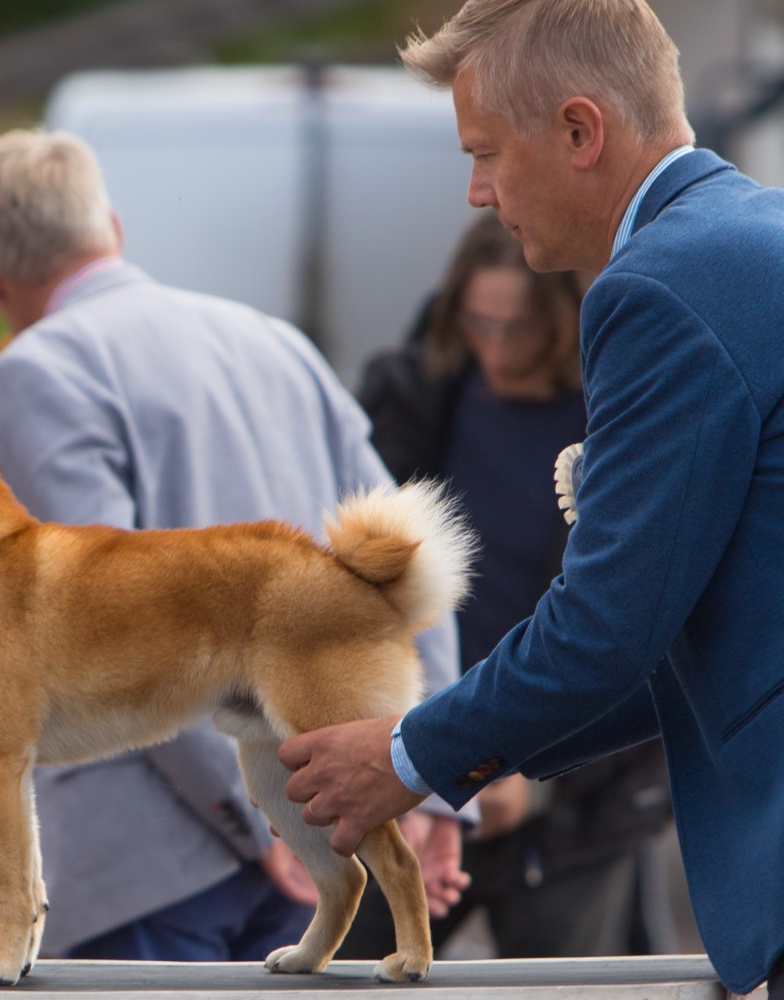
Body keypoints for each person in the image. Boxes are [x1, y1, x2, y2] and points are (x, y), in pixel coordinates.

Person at [276, 3, 784, 996]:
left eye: (487, 153)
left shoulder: (660, 287)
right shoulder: (744, 233)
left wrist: (410, 753)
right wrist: (472, 756)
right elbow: (679, 630)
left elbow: (606, 628)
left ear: (581, 131)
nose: (475, 193)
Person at [0, 127, 471, 964]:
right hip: (329, 805)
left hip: (156, 861)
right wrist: (428, 786)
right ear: (109, 227)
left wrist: (255, 822)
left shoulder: (38, 372)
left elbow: (109, 621)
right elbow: (405, 577)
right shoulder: (277, 340)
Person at [337, 209, 673, 960]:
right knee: (355, 967)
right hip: (422, 768)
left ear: (563, 320)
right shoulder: (421, 399)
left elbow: (636, 625)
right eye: (476, 322)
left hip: (574, 807)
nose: (493, 347)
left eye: (515, 330)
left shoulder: (618, 422)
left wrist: (528, 770)